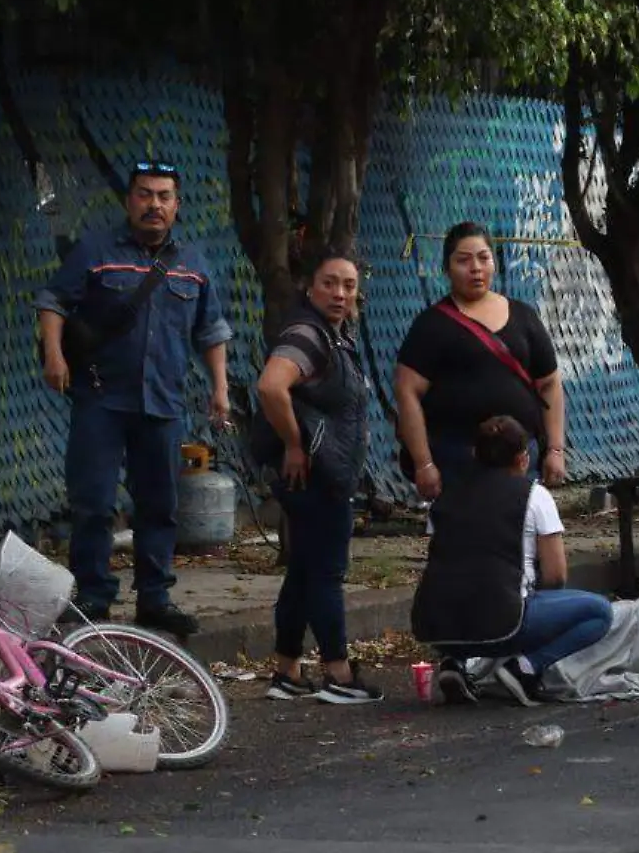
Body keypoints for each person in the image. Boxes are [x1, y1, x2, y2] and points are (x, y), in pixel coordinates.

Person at [35, 161, 232, 635]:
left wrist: (220, 388)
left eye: (164, 196)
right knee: (94, 502)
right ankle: (93, 596)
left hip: (163, 403)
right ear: (130, 201)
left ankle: (154, 598)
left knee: (159, 504)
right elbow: (53, 300)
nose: (154, 205)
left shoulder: (193, 264)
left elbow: (211, 330)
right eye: (145, 195)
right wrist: (54, 356)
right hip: (101, 398)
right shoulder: (96, 250)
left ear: (177, 205)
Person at [255, 250, 382, 704]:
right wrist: (294, 442)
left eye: (348, 285)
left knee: (304, 574)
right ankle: (339, 674)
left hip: (321, 473)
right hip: (318, 476)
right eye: (330, 283)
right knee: (327, 574)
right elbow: (271, 386)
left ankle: (287, 671)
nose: (340, 293)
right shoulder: (309, 334)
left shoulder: (336, 335)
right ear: (311, 287)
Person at [417, 416, 614, 707]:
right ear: (523, 458)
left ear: (474, 455)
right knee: (599, 612)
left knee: (462, 586)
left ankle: (453, 663)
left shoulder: (444, 497)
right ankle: (524, 669)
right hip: (502, 625)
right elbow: (556, 575)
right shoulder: (535, 495)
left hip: (436, 626)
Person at [393, 222, 568, 503]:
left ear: (494, 263)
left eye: (483, 258)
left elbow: (549, 384)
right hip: (457, 458)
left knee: (520, 535)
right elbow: (407, 393)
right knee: (469, 539)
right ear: (446, 268)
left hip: (520, 457)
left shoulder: (523, 316)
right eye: (463, 260)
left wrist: (555, 450)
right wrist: (424, 463)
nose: (475, 267)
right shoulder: (431, 325)